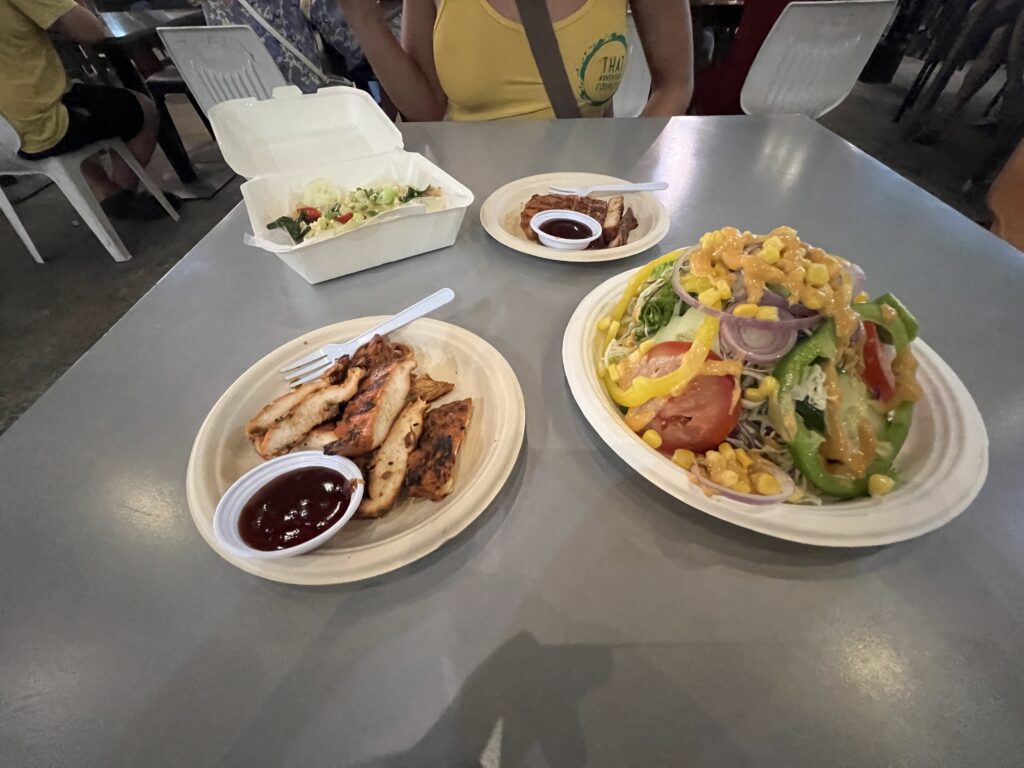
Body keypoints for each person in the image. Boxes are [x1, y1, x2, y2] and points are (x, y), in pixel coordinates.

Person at [338, 0, 694, 121]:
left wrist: (627, 179)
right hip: (470, 202)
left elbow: (674, 85)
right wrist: (360, 14)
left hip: (585, 194)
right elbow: (426, 108)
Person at [0, 0, 168, 219]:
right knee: (142, 108)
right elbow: (92, 31)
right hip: (37, 125)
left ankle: (109, 191)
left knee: (78, 102)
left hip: (5, 137)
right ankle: (122, 194)